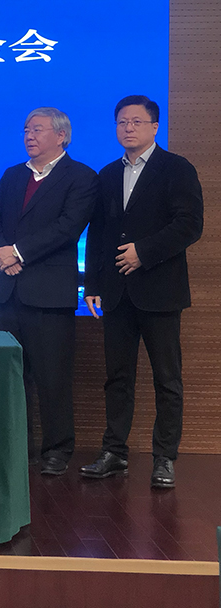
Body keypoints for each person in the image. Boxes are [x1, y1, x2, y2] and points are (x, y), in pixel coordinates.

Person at [81, 95, 203, 489]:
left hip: (160, 291)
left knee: (167, 379)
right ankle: (114, 452)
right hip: (116, 292)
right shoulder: (107, 174)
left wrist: (143, 252)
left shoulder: (176, 168)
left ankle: (164, 458)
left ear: (154, 126)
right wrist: (92, 284)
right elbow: (98, 234)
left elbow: (190, 225)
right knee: (117, 377)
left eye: (136, 121)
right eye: (122, 122)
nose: (128, 128)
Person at [0, 107, 98, 476]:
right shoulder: (12, 175)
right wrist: (2, 253)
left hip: (49, 293)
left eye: (37, 130)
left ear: (61, 136)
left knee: (52, 377)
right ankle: (17, 445)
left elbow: (68, 227)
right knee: (8, 376)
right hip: (7, 290)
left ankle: (57, 449)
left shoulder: (81, 177)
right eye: (26, 130)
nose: (29, 136)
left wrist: (18, 252)